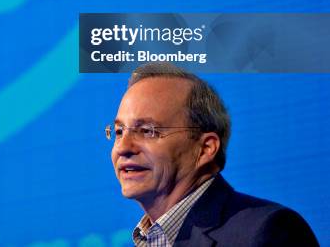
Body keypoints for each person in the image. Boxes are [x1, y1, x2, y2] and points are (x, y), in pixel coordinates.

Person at [107, 62, 319, 246]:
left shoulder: (266, 232)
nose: (123, 147)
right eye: (118, 132)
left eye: (147, 131)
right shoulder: (148, 239)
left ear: (206, 148)